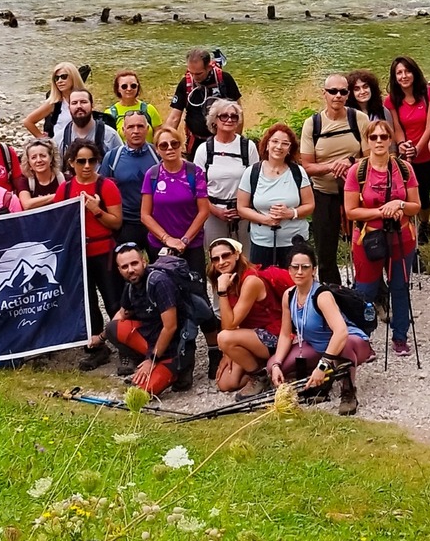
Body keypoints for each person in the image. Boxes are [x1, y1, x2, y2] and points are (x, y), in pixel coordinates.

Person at [269, 241, 373, 415]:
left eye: (305, 267)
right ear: (289, 270)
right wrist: (276, 365)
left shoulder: (322, 295)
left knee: (344, 345)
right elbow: (286, 334)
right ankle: (322, 380)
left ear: (314, 270)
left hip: (350, 343)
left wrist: (322, 366)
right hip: (318, 347)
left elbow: (341, 332)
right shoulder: (289, 295)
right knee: (272, 364)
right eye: (295, 267)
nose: (299, 272)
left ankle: (348, 389)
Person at [345, 119, 421, 355]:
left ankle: (400, 337)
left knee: (400, 287)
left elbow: (415, 205)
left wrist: (399, 204)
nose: (379, 141)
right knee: (365, 291)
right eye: (373, 137)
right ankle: (361, 338)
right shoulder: (356, 171)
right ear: (367, 141)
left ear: (390, 140)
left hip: (401, 237)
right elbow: (350, 211)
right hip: (368, 238)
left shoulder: (404, 169)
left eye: (383, 137)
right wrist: (381, 211)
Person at [58, 141, 124, 370]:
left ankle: (127, 346)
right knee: (87, 302)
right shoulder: (65, 189)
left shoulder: (106, 186)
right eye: (81, 161)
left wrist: (96, 211)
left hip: (103, 251)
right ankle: (96, 348)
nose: (87, 166)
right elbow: (57, 221)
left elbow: (116, 222)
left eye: (91, 161)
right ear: (71, 163)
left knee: (114, 300)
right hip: (78, 254)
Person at [299, 73, 365, 287]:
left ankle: (373, 297)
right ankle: (333, 299)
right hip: (324, 194)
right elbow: (307, 166)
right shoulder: (313, 124)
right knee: (326, 254)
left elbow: (374, 155)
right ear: (324, 94)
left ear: (348, 95)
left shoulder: (358, 119)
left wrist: (350, 161)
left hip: (358, 194)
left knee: (367, 248)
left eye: (343, 92)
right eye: (333, 91)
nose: (338, 96)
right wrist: (332, 166)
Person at [107, 245, 193, 395]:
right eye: (125, 267)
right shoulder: (131, 284)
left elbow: (170, 327)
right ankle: (148, 364)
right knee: (111, 328)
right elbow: (122, 314)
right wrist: (101, 338)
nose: (130, 270)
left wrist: (151, 360)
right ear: (119, 270)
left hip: (174, 348)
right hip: (151, 341)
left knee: (139, 393)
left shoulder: (159, 282)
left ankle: (180, 369)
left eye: (134, 263)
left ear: (144, 262)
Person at [210, 238, 289, 396]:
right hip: (253, 335)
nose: (221, 262)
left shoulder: (250, 280)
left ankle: (259, 377)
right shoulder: (226, 278)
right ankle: (263, 369)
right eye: (215, 259)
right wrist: (228, 353)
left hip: (275, 336)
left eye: (226, 255)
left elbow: (229, 326)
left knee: (224, 337)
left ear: (237, 255)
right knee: (226, 383)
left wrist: (222, 292)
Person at [239, 123, 314, 267]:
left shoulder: (298, 172)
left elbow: (310, 205)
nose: (279, 147)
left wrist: (290, 213)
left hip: (295, 242)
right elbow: (241, 207)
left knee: (294, 284)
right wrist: (265, 219)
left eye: (285, 143)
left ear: (290, 149)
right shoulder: (252, 172)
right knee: (262, 284)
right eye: (274, 141)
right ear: (267, 145)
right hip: (261, 241)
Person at [141, 130, 212, 278]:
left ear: (181, 146)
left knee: (195, 291)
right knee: (164, 290)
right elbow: (145, 215)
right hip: (160, 245)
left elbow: (204, 211)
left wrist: (185, 240)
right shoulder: (152, 175)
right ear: (157, 150)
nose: (170, 148)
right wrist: (167, 239)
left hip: (192, 245)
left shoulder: (194, 172)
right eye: (164, 145)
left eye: (174, 143)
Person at [388, 57, 430, 244]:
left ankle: (425, 224)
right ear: (395, 77)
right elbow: (397, 128)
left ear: (414, 72)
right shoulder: (392, 100)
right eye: (399, 73)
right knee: (404, 193)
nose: (404, 76)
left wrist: (418, 149)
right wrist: (403, 145)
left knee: (423, 194)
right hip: (405, 156)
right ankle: (407, 230)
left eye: (407, 71)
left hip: (425, 153)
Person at [194, 99, 259, 248]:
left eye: (234, 116)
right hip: (213, 213)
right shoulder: (204, 150)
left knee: (245, 258)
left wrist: (243, 209)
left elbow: (256, 183)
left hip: (243, 214)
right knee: (217, 258)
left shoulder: (248, 147)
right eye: (224, 116)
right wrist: (216, 211)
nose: (229, 120)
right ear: (214, 120)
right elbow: (198, 189)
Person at [103, 112, 161, 250]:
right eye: (131, 127)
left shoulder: (158, 154)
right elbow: (102, 190)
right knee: (128, 268)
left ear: (147, 129)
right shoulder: (112, 157)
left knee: (160, 268)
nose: (136, 131)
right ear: (123, 130)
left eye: (140, 126)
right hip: (126, 224)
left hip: (156, 222)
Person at [165, 48, 241, 148]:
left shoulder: (224, 79)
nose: (194, 77)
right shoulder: (185, 83)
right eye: (191, 72)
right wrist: (164, 141)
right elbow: (174, 117)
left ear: (209, 67)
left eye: (198, 73)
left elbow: (238, 112)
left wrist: (237, 142)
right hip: (196, 141)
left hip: (223, 140)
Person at [55, 89, 122, 167]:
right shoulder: (59, 139)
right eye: (74, 103)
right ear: (69, 108)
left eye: (83, 102)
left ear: (92, 105)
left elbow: (121, 167)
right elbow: (56, 171)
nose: (79, 106)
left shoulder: (110, 135)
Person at [24, 61, 85, 139]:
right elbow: (28, 122)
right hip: (61, 148)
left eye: (64, 77)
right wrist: (45, 140)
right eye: (56, 78)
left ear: (74, 77)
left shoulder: (85, 99)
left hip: (82, 147)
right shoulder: (54, 103)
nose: (59, 81)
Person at [103, 69, 164, 137]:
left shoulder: (149, 109)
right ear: (118, 89)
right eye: (124, 86)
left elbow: (159, 138)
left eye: (133, 86)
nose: (129, 89)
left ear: (138, 87)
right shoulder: (110, 114)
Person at [348, 68, 399, 139]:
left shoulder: (383, 112)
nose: (362, 92)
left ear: (372, 88)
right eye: (357, 89)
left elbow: (391, 139)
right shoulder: (348, 114)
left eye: (365, 87)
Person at [17, 138, 63, 210]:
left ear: (51, 158)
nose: (39, 160)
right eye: (33, 157)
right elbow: (26, 204)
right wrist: (58, 195)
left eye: (43, 156)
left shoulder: (63, 179)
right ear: (28, 162)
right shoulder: (25, 181)